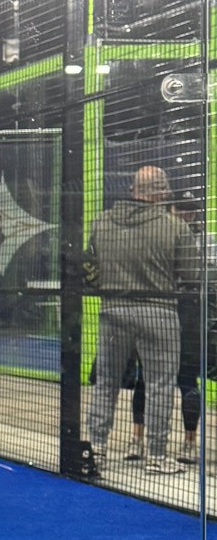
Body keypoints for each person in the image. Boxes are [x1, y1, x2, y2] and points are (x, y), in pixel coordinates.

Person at [85, 165, 199, 474]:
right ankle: (157, 456)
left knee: (106, 383)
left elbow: (89, 268)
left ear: (133, 190)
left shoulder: (102, 222)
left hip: (113, 311)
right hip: (159, 313)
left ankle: (96, 449)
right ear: (163, 193)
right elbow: (192, 274)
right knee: (160, 385)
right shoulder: (174, 227)